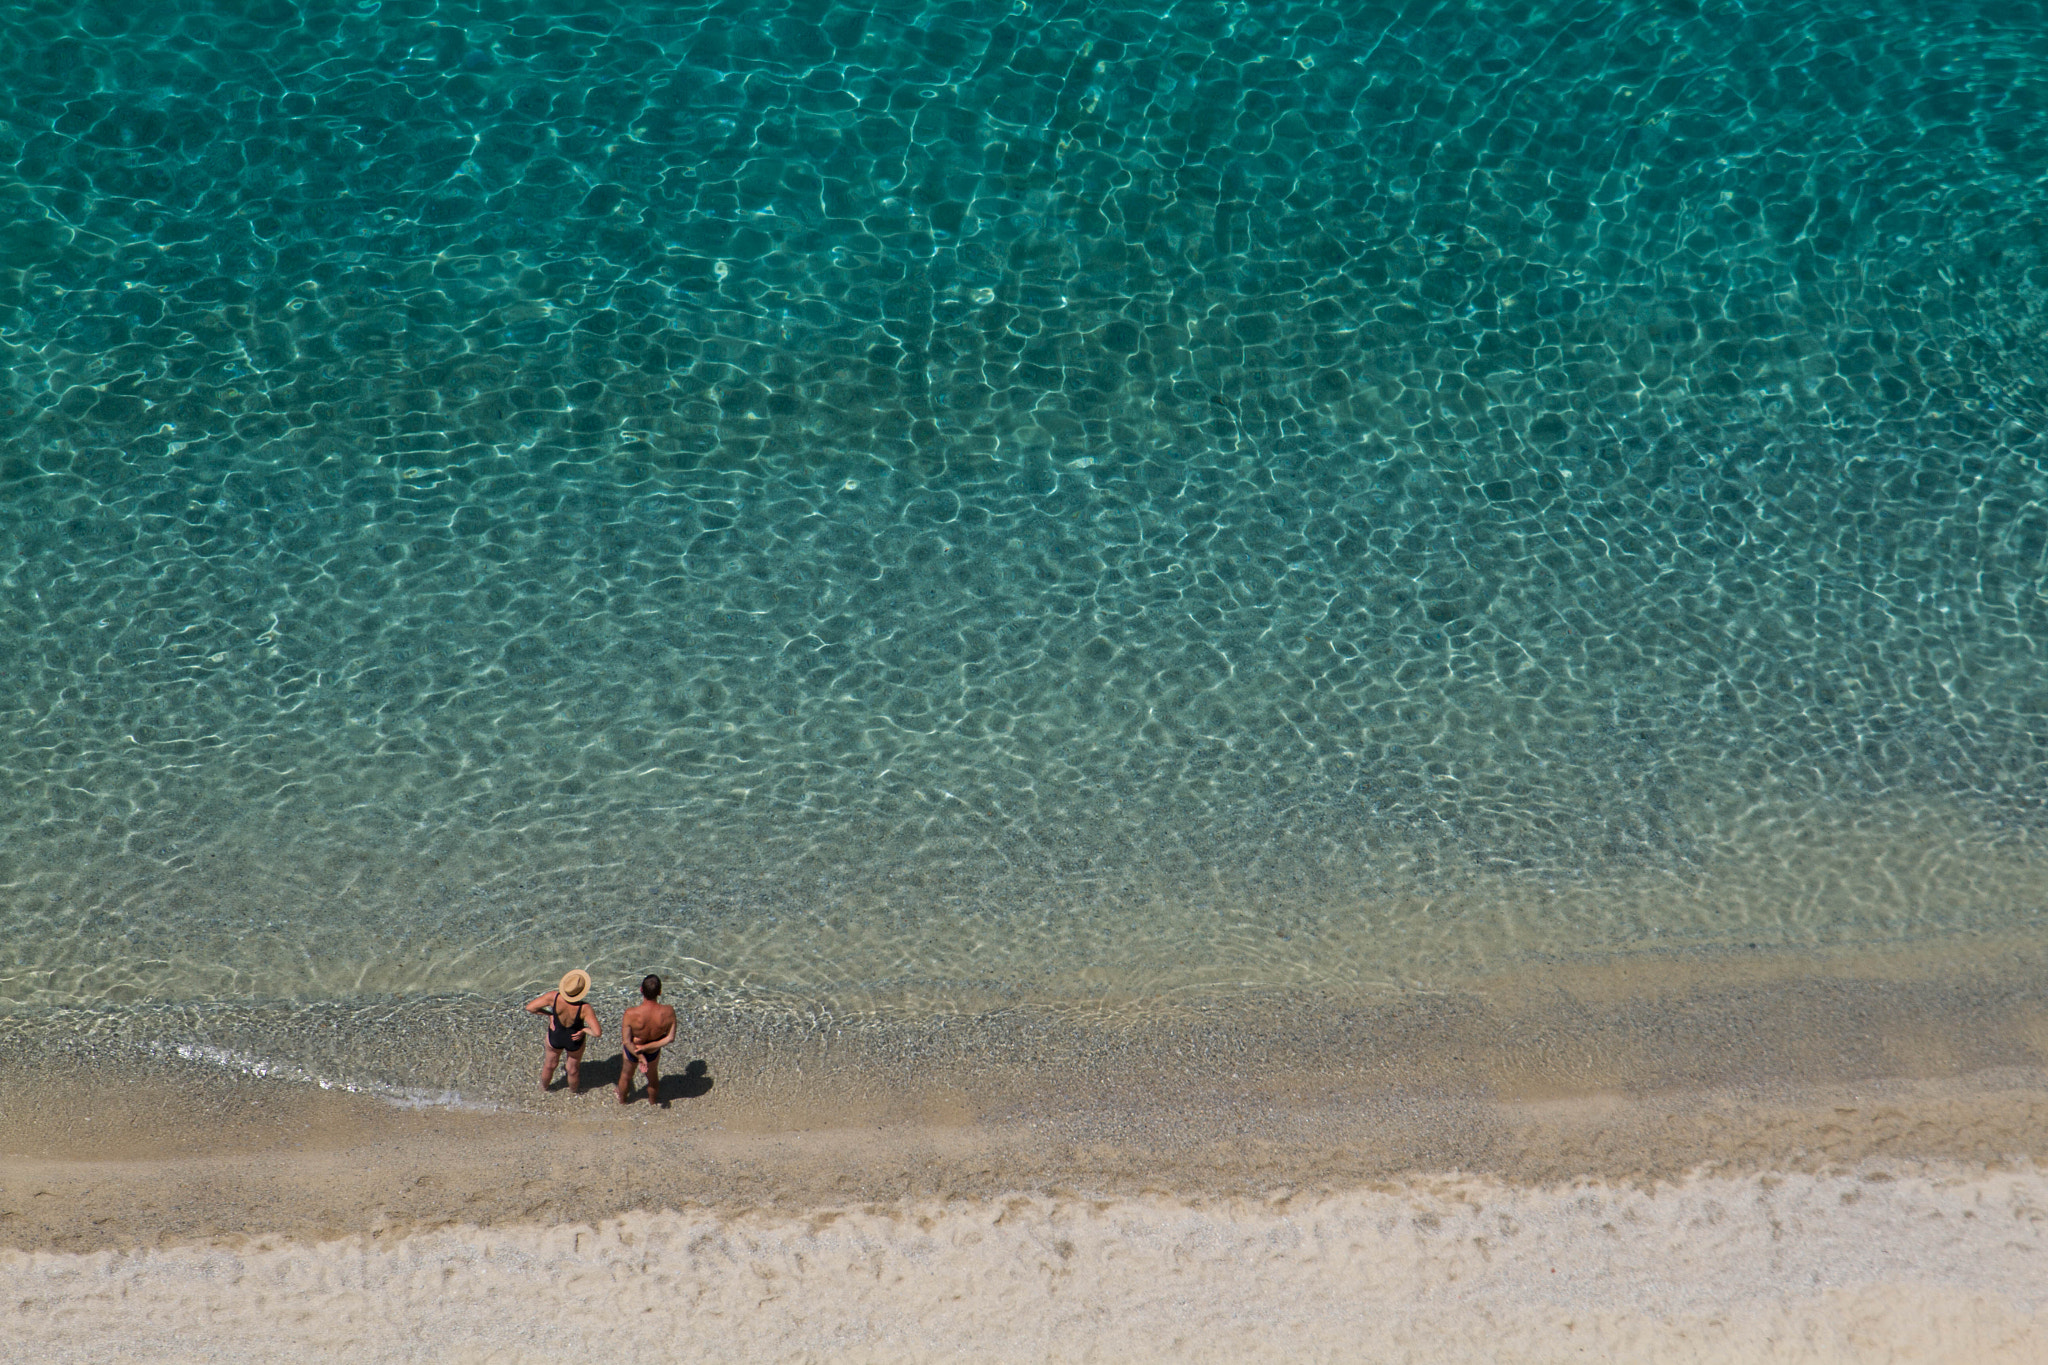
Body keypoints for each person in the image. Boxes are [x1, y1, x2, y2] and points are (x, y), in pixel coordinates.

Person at [526, 969, 601, 1093]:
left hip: (555, 1035)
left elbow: (530, 1008)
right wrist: (583, 1030)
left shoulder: (553, 997)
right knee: (572, 1069)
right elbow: (597, 1033)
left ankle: (543, 1090)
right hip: (574, 1039)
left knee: (549, 1065)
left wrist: (550, 1015)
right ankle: (574, 1093)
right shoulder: (584, 1008)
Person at [617, 973, 678, 1105]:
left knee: (626, 1076)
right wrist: (648, 1048)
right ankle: (652, 1103)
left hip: (633, 1051)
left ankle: (622, 1103)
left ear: (641, 990)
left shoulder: (631, 1013)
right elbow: (670, 1038)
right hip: (653, 1052)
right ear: (660, 992)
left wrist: (640, 1055)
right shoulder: (669, 1011)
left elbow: (627, 1041)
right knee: (653, 1079)